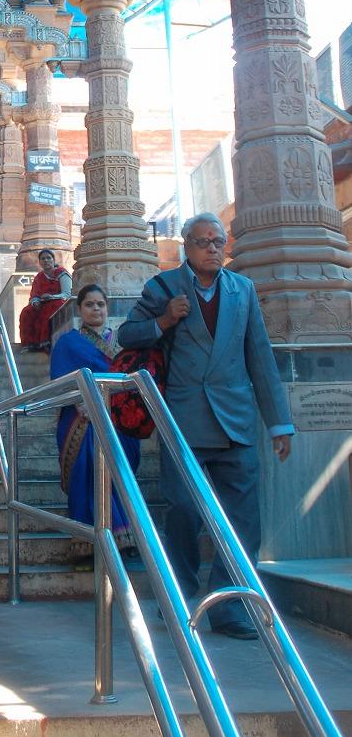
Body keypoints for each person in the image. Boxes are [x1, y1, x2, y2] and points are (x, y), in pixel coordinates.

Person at [117, 212, 294, 640]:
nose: (213, 249)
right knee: (183, 511)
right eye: (204, 242)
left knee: (243, 521)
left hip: (236, 421)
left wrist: (279, 423)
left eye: (219, 241)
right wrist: (163, 321)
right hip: (184, 421)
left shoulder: (242, 290)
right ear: (187, 246)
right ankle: (179, 597)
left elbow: (260, 357)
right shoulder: (163, 287)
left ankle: (230, 607)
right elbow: (126, 335)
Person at [50, 285, 140, 567]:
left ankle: (125, 537)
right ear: (79, 310)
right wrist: (84, 403)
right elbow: (60, 381)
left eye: (100, 304)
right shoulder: (68, 343)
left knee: (118, 473)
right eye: (89, 304)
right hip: (82, 417)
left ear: (107, 308)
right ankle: (87, 543)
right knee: (88, 472)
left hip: (118, 419)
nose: (96, 309)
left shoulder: (121, 344)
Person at [18, 248, 71, 351]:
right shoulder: (39, 277)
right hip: (41, 303)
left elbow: (67, 293)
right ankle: (30, 343)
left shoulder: (62, 273)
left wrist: (52, 297)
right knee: (27, 311)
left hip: (58, 301)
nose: (46, 260)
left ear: (53, 260)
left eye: (48, 258)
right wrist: (35, 302)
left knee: (52, 306)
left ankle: (46, 342)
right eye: (43, 259)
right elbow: (34, 296)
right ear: (40, 262)